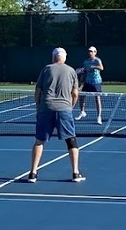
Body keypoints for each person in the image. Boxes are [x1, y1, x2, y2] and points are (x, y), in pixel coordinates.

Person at [29, 47, 85, 183]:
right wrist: (70, 106)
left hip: (46, 108)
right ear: (64, 57)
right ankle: (75, 173)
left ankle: (33, 173)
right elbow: (75, 93)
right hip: (64, 109)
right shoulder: (71, 71)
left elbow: (37, 91)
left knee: (39, 140)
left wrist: (38, 107)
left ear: (54, 57)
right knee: (71, 140)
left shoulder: (46, 69)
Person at [75, 46, 105, 124]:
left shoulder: (97, 60)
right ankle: (82, 112)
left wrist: (93, 66)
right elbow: (84, 72)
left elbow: (101, 68)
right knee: (81, 97)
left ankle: (99, 116)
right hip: (87, 82)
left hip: (96, 82)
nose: (90, 53)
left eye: (92, 51)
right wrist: (81, 81)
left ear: (95, 52)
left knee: (97, 99)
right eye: (89, 51)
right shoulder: (86, 62)